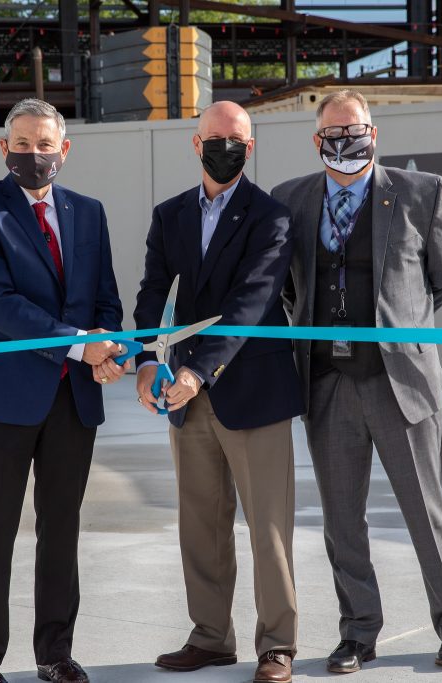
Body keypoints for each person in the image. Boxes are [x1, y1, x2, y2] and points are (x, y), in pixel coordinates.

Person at [271, 89, 442, 672]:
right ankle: (358, 632)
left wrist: (399, 326)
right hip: (327, 384)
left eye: (355, 129)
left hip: (399, 382)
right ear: (317, 140)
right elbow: (289, 287)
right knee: (341, 518)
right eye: (334, 133)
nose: (345, 140)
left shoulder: (422, 193)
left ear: (374, 132)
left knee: (424, 509)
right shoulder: (292, 200)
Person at [0, 98, 127, 683]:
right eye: (22, 145)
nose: (34, 155)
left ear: (64, 150)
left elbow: (105, 296)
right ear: (5, 149)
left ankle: (55, 653)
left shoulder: (88, 211)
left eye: (44, 145)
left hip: (73, 399)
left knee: (61, 530)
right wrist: (81, 344)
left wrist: (109, 350)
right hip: (3, 397)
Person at [133, 101, 304, 683]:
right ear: (195, 142)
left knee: (268, 526)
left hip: (251, 388)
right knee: (200, 523)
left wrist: (194, 372)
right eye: (215, 138)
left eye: (236, 139)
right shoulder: (170, 214)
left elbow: (252, 301)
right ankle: (210, 637)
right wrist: (141, 360)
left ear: (250, 147)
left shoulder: (271, 216)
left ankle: (277, 644)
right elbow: (153, 290)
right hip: (187, 396)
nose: (225, 147)